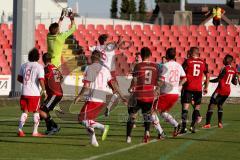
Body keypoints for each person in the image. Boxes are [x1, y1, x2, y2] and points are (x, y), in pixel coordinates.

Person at [74, 50, 125, 147]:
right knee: (89, 120)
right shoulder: (105, 69)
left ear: (93, 57)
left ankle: (103, 127)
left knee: (81, 119)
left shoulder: (89, 68)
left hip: (93, 99)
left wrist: (79, 96)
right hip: (101, 100)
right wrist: (122, 95)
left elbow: (87, 85)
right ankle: (94, 142)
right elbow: (113, 84)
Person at [127, 47, 160, 143]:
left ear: (141, 55)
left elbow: (135, 79)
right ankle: (147, 132)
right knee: (147, 114)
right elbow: (157, 80)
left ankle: (129, 137)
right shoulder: (155, 66)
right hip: (150, 95)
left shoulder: (138, 66)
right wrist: (157, 89)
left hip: (139, 94)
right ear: (150, 55)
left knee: (132, 114)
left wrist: (131, 87)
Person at [89, 34, 125, 116]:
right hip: (108, 71)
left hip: (98, 71)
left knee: (97, 88)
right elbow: (118, 44)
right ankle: (108, 107)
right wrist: (120, 38)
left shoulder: (96, 47)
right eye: (108, 39)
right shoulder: (109, 47)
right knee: (116, 90)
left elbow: (87, 49)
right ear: (105, 41)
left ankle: (94, 105)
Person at [154, 48, 187, 137]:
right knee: (163, 112)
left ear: (167, 55)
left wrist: (156, 89)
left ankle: (160, 132)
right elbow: (184, 78)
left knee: (151, 111)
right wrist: (178, 86)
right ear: (175, 56)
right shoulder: (178, 65)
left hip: (166, 93)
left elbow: (161, 80)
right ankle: (176, 125)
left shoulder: (165, 66)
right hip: (175, 94)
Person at [17, 48, 47, 137]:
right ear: (38, 57)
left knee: (25, 111)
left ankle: (20, 129)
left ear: (29, 57)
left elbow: (19, 78)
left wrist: (27, 83)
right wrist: (44, 91)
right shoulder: (39, 66)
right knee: (36, 111)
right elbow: (41, 80)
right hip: (34, 93)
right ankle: (35, 132)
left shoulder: (24, 65)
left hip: (24, 92)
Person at [203, 54, 238, 129]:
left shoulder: (224, 68)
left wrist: (208, 81)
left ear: (227, 60)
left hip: (220, 90)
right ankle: (220, 123)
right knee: (220, 105)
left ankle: (208, 124)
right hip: (227, 91)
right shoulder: (234, 70)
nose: (223, 60)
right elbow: (235, 83)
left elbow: (218, 79)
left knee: (212, 104)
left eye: (224, 59)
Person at [180, 47, 209, 133]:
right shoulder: (203, 62)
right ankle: (192, 126)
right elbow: (207, 75)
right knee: (196, 108)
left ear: (191, 52)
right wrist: (206, 86)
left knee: (185, 108)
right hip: (198, 88)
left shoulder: (187, 61)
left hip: (188, 87)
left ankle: (184, 127)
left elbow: (182, 73)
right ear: (198, 53)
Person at [39, 53, 63, 135]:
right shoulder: (55, 68)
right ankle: (49, 128)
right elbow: (61, 79)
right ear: (50, 59)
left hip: (54, 94)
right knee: (44, 109)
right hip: (57, 93)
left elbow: (42, 80)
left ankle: (55, 126)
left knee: (42, 111)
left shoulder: (45, 69)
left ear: (43, 60)